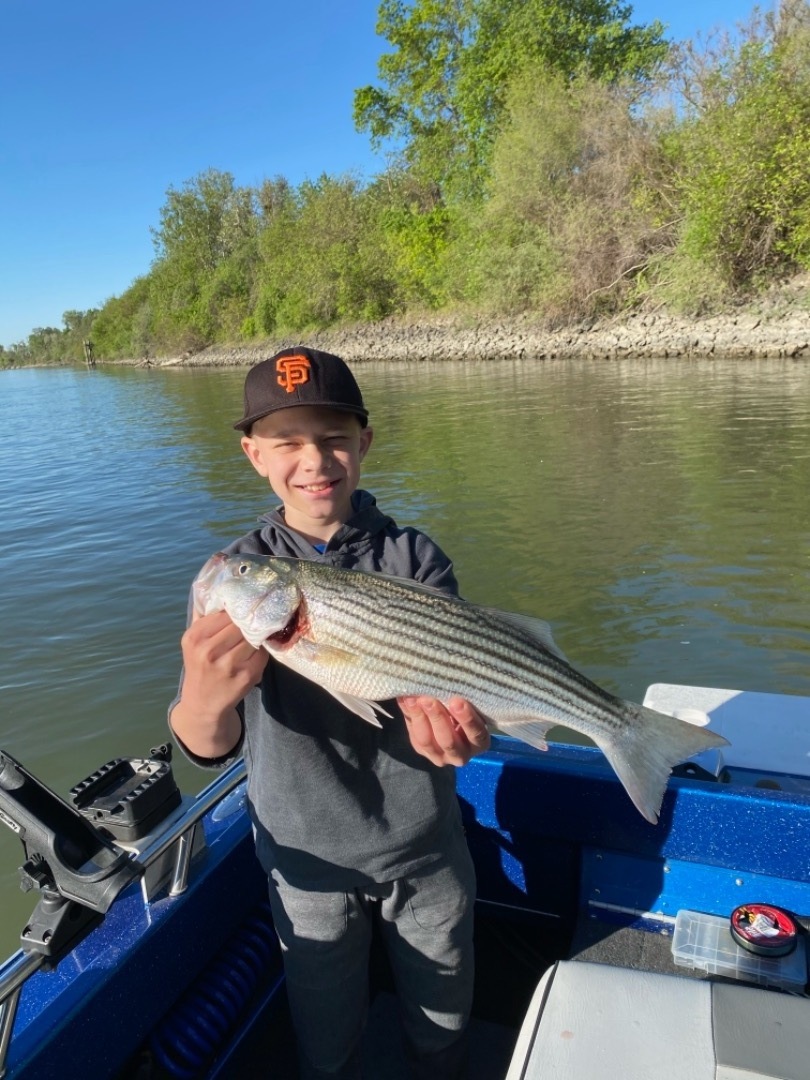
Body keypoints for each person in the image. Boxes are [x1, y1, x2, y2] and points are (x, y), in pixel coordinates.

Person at [169, 346, 491, 1079]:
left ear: (363, 444)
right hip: (304, 864)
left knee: (443, 1026)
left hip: (426, 849)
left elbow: (456, 699)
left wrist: (459, 734)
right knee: (326, 1038)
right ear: (254, 454)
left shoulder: (414, 557)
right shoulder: (232, 575)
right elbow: (205, 747)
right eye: (286, 443)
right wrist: (203, 695)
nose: (314, 460)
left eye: (333, 438)